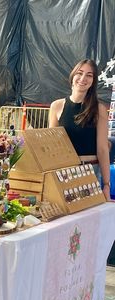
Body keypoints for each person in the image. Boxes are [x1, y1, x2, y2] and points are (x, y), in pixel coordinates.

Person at [49, 59, 111, 200]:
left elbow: (102, 149)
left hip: (90, 171)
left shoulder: (99, 110)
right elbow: (51, 147)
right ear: (72, 76)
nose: (83, 78)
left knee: (90, 220)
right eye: (80, 73)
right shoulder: (56, 106)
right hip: (64, 173)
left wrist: (107, 185)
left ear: (93, 81)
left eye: (89, 75)